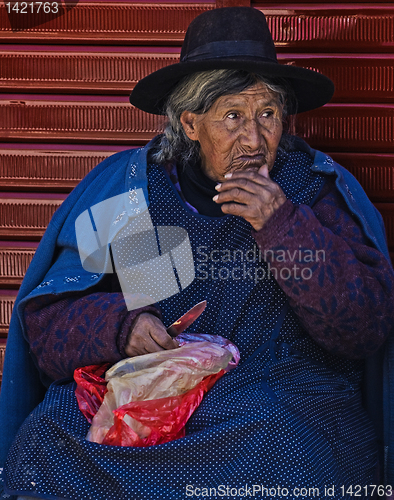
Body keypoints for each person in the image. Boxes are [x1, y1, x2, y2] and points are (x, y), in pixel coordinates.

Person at [1, 7, 394, 500]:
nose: (254, 139)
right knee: (49, 436)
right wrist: (123, 327)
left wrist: (282, 225)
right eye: (233, 116)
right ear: (190, 122)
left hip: (276, 395)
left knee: (282, 453)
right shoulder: (142, 195)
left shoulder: (308, 190)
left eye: (267, 114)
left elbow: (364, 325)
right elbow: (51, 323)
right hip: (158, 396)